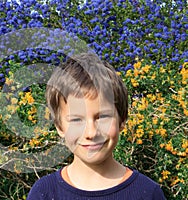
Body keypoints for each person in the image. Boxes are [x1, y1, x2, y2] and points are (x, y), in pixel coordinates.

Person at [27, 53, 166, 199]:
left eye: (103, 117)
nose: (91, 133)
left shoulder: (148, 193)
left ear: (122, 120)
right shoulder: (44, 193)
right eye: (76, 120)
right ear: (59, 126)